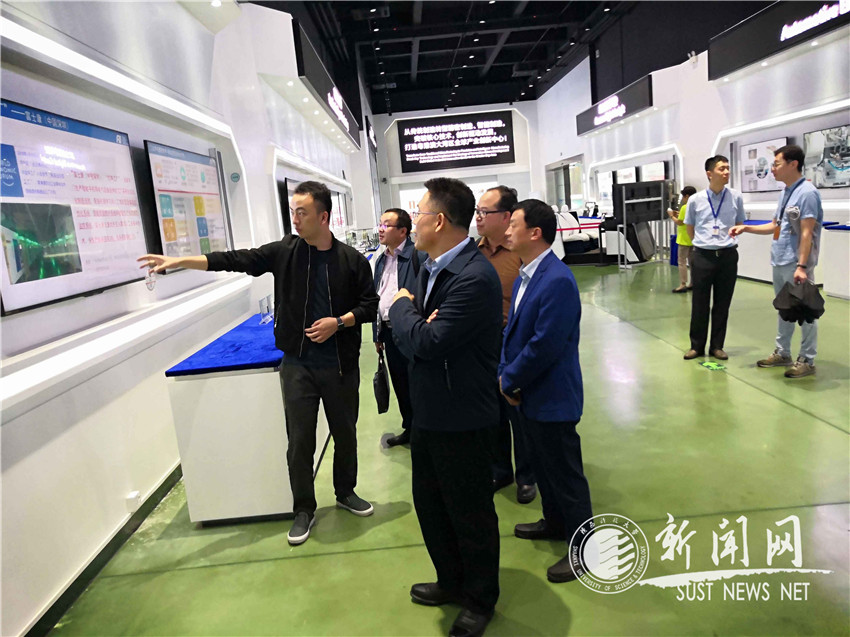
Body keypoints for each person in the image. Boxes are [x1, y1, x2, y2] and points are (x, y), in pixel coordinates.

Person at [139, 181, 379, 546]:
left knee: (345, 433)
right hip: (298, 366)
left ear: (323, 217)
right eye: (293, 212)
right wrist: (181, 262)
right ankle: (303, 509)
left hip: (340, 365)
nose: (295, 219)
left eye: (302, 213)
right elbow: (235, 259)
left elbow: (369, 306)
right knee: (299, 442)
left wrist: (339, 322)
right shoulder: (285, 252)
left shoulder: (351, 261)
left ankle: (345, 492)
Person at [389, 177, 502, 637]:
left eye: (418, 213)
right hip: (430, 410)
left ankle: (479, 600)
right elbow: (419, 338)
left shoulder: (474, 277)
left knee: (470, 512)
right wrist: (417, 324)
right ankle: (451, 580)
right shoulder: (428, 265)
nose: (412, 221)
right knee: (432, 505)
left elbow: (427, 341)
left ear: (438, 221)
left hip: (463, 416)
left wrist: (401, 308)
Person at [499, 198, 592, 584]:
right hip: (531, 394)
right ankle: (554, 523)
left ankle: (584, 550)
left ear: (535, 232)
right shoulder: (528, 273)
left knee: (566, 476)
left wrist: (508, 379)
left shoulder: (556, 280)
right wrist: (507, 372)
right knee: (546, 468)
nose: (506, 231)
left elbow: (544, 345)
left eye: (513, 225)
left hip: (552, 396)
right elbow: (513, 332)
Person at [729, 144, 823, 378]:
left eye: (776, 164)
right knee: (784, 308)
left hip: (796, 264)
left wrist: (802, 266)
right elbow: (775, 225)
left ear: (793, 164)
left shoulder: (807, 193)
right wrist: (745, 228)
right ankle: (783, 352)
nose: (772, 169)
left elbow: (806, 233)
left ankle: (807, 359)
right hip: (780, 260)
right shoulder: (785, 193)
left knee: (805, 311)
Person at [475, 185, 536, 505]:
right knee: (492, 412)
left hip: (513, 340)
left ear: (506, 216)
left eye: (484, 212)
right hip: (482, 344)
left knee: (518, 410)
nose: (478, 218)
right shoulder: (474, 252)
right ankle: (500, 469)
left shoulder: (523, 254)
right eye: (477, 212)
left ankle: (527, 476)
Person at [683, 155, 747, 361]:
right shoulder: (696, 200)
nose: (726, 172)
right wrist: (702, 243)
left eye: (728, 168)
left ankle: (717, 346)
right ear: (709, 174)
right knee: (699, 303)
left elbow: (740, 222)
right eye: (722, 168)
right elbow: (690, 227)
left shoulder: (735, 197)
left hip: (728, 255)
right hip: (703, 255)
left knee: (722, 303)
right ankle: (696, 346)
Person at [372, 208, 424, 446]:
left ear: (403, 231)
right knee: (400, 383)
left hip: (411, 331)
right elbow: (377, 297)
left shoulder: (418, 256)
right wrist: (377, 333)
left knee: (417, 384)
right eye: (380, 224)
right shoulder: (381, 260)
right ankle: (409, 428)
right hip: (388, 332)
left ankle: (423, 432)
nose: (380, 229)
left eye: (386, 225)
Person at [667, 186, 697, 293]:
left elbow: (680, 222)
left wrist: (671, 216)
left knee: (682, 262)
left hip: (684, 238)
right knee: (693, 262)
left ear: (687, 196)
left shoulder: (685, 207)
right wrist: (679, 214)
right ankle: (693, 283)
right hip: (694, 238)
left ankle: (683, 284)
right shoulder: (697, 205)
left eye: (683, 196)